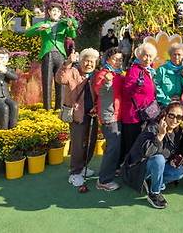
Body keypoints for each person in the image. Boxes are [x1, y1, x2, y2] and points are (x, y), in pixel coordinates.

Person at [123, 102, 183, 209]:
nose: (175, 120)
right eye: (171, 115)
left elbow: (170, 152)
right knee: (159, 159)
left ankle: (150, 182)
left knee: (179, 172)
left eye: (179, 117)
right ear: (165, 114)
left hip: (154, 169)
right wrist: (160, 135)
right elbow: (146, 152)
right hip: (138, 169)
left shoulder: (177, 132)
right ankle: (154, 193)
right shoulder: (153, 128)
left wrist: (173, 160)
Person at [55, 48, 100, 187]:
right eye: (86, 61)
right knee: (78, 145)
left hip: (92, 115)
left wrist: (97, 107)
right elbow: (60, 78)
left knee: (90, 142)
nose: (89, 64)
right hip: (77, 115)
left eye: (92, 61)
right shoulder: (73, 72)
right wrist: (68, 63)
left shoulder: (96, 75)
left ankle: (83, 167)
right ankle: (75, 172)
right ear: (81, 61)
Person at [24, 2, 78, 110]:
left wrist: (71, 26)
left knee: (61, 81)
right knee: (47, 81)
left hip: (60, 54)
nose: (56, 13)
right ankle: (47, 108)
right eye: (53, 11)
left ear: (60, 13)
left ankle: (59, 107)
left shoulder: (63, 24)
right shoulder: (44, 23)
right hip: (47, 53)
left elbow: (73, 35)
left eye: (58, 11)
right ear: (49, 12)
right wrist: (39, 29)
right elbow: (27, 33)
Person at [121, 43, 158, 165]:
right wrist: (137, 85)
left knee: (139, 145)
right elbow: (126, 92)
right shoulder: (134, 70)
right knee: (131, 145)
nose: (148, 59)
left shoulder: (148, 71)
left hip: (145, 114)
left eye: (150, 56)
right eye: (145, 55)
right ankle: (127, 169)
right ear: (139, 56)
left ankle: (134, 168)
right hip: (133, 116)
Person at [93, 47, 124, 191]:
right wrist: (107, 82)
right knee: (113, 148)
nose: (118, 62)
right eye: (115, 59)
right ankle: (104, 180)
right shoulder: (104, 74)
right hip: (109, 117)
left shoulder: (118, 74)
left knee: (115, 147)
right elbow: (99, 91)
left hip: (118, 115)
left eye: (120, 59)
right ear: (107, 60)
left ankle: (112, 171)